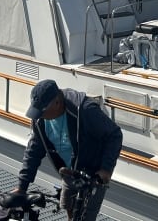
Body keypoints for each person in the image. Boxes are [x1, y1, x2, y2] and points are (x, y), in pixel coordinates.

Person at [14, 79, 122, 221]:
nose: (38, 115)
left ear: (57, 103)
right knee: (69, 209)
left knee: (84, 217)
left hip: (92, 175)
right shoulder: (40, 116)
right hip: (68, 171)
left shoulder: (84, 109)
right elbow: (34, 150)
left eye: (42, 111)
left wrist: (106, 169)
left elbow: (115, 134)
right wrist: (22, 187)